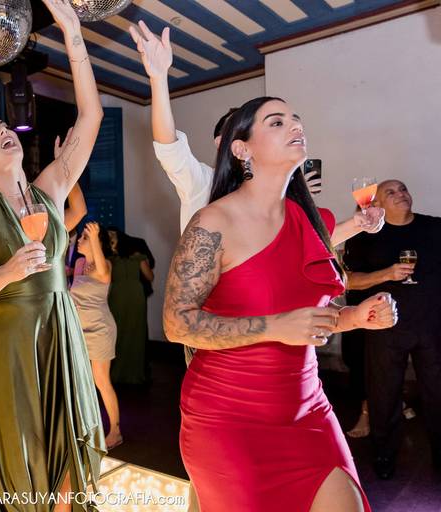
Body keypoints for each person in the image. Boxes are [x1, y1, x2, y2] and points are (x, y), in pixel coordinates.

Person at [163, 97, 398, 512]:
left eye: (296, 120)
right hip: (229, 418)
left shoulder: (307, 220)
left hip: (307, 409)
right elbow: (177, 323)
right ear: (242, 149)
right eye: (276, 122)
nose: (294, 126)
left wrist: (356, 317)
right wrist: (273, 326)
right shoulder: (214, 222)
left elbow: (306, 320)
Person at [0, 1, 105, 509]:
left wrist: (73, 33)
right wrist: (6, 273)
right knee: (24, 470)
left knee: (69, 470)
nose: (3, 133)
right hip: (12, 346)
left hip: (62, 331)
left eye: (3, 127)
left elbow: (91, 117)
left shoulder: (50, 189)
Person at [128, 21, 384, 241]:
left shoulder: (277, 195)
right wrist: (158, 79)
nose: (295, 126)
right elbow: (169, 147)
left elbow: (305, 247)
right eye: (275, 123)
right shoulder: (203, 182)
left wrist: (357, 223)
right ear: (227, 144)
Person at [343, 179, 441, 479]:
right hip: (385, 327)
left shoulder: (434, 227)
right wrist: (386, 273)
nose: (400, 195)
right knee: (383, 396)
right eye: (391, 192)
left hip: (431, 326)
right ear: (377, 204)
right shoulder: (364, 236)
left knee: (438, 394)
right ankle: (384, 456)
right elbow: (348, 281)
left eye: (403, 189)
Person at [70, 222, 122, 449]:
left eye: (84, 237)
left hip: (100, 329)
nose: (79, 241)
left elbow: (102, 273)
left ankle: (115, 431)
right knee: (81, 380)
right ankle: (85, 426)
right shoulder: (80, 263)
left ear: (95, 242)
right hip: (79, 330)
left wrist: (93, 236)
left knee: (101, 380)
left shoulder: (105, 265)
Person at [107, 228, 153, 385]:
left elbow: (150, 277)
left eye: (113, 237)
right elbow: (150, 276)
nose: (111, 240)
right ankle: (130, 374)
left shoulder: (110, 260)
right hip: (132, 294)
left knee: (130, 332)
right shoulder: (134, 257)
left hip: (121, 295)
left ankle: (122, 373)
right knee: (126, 332)